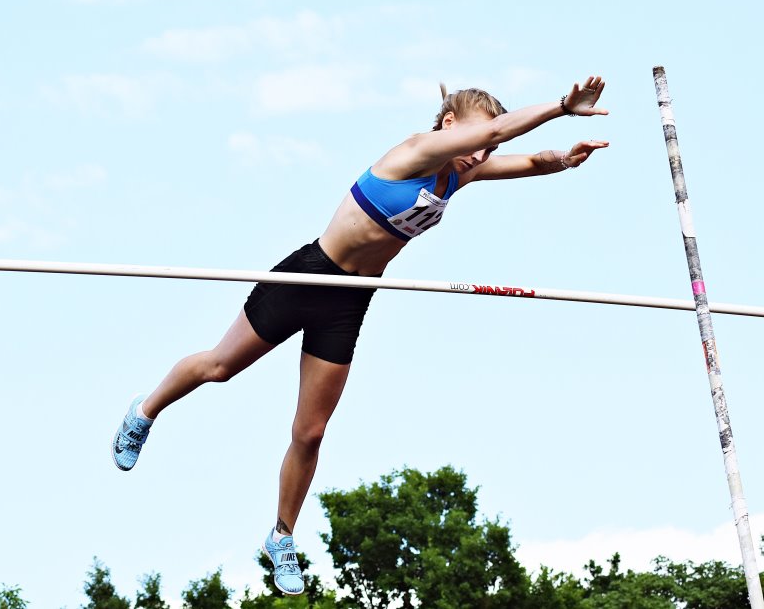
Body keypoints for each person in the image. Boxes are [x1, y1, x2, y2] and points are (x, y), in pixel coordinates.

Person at [111, 76, 609, 595]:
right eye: (480, 139)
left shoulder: (459, 175)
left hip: (350, 300)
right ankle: (143, 411)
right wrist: (562, 106)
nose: (486, 152)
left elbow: (527, 161)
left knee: (311, 432)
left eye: (491, 147)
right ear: (448, 125)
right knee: (219, 367)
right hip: (308, 275)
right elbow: (506, 129)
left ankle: (281, 536)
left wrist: (565, 160)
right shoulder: (416, 152)